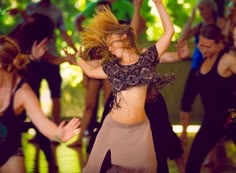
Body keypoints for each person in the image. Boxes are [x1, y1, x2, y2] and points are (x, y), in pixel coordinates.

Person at [65, 0, 174, 171]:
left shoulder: (148, 59)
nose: (108, 47)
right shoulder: (112, 67)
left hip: (140, 130)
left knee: (148, 168)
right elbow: (91, 72)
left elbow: (169, 32)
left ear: (124, 38)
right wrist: (77, 59)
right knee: (94, 167)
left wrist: (159, 4)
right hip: (113, 127)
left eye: (111, 42)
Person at [0, 35, 80, 173]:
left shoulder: (22, 92)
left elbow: (42, 123)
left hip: (10, 154)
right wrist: (32, 57)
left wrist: (58, 134)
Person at [183, 24, 236, 173]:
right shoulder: (203, 61)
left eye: (208, 46)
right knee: (193, 163)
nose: (203, 49)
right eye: (201, 45)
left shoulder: (227, 60)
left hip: (232, 116)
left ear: (219, 44)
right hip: (212, 120)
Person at [69, 0, 112, 147]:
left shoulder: (113, 30)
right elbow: (85, 53)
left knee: (108, 104)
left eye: (103, 10)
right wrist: (84, 74)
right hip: (93, 69)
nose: (100, 13)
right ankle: (80, 138)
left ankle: (107, 138)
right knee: (89, 105)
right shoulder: (90, 31)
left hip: (108, 69)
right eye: (98, 10)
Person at [178, 0, 218, 141]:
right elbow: (182, 38)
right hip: (195, 69)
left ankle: (214, 136)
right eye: (199, 9)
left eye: (203, 9)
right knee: (186, 101)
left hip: (212, 71)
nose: (201, 12)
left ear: (210, 9)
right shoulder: (200, 26)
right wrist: (191, 18)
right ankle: (183, 135)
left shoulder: (219, 25)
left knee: (211, 104)